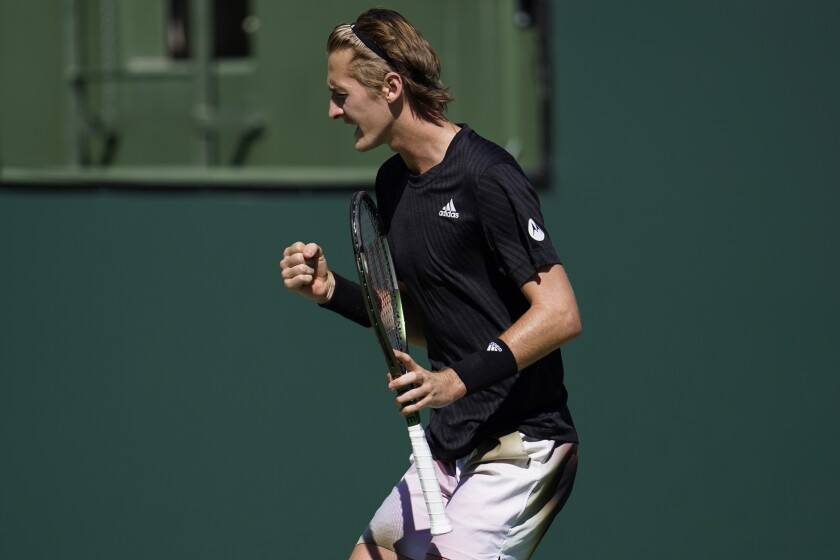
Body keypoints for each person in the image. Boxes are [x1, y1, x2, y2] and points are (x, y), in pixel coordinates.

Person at [280, 8, 581, 560]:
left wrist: (453, 382)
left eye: (341, 95)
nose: (332, 111)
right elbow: (421, 321)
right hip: (451, 444)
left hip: (523, 448)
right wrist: (330, 291)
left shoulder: (487, 175)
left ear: (391, 87)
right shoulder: (392, 182)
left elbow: (561, 313)